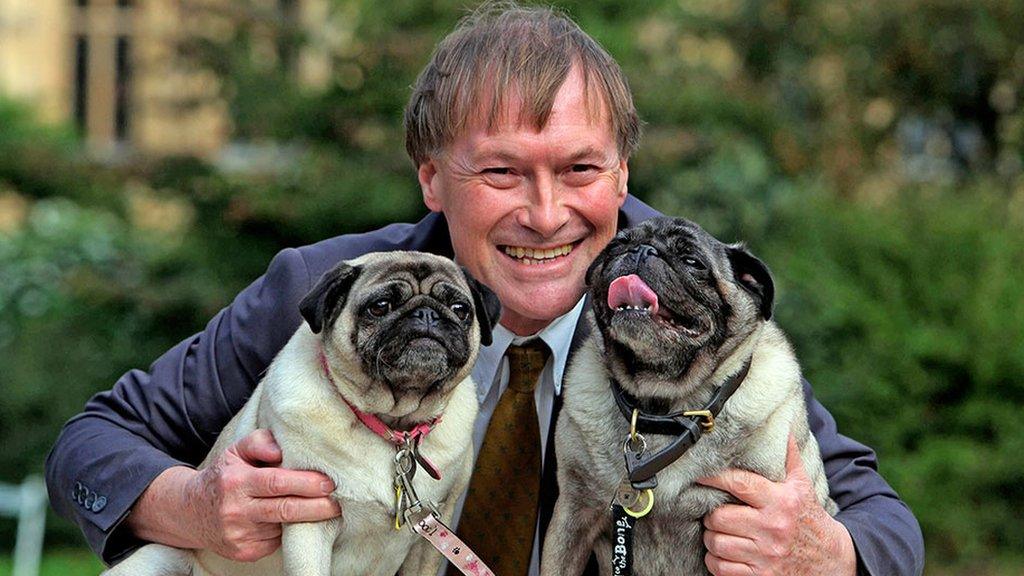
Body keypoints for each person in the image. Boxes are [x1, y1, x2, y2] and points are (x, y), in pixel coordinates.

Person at [46, 3, 925, 576]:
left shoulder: (692, 320)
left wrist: (825, 551)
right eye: (502, 171)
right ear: (432, 179)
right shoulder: (328, 293)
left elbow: (886, 524)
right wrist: (193, 508)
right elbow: (90, 446)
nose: (546, 215)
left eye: (579, 168)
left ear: (621, 174)